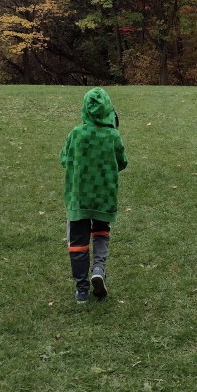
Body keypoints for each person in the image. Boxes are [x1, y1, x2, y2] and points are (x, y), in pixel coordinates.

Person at [61, 87, 128, 303]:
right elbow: (122, 162)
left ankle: (81, 289)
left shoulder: (76, 134)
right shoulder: (112, 136)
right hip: (104, 196)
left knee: (78, 242)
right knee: (101, 231)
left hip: (78, 197)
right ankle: (98, 268)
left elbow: (64, 158)